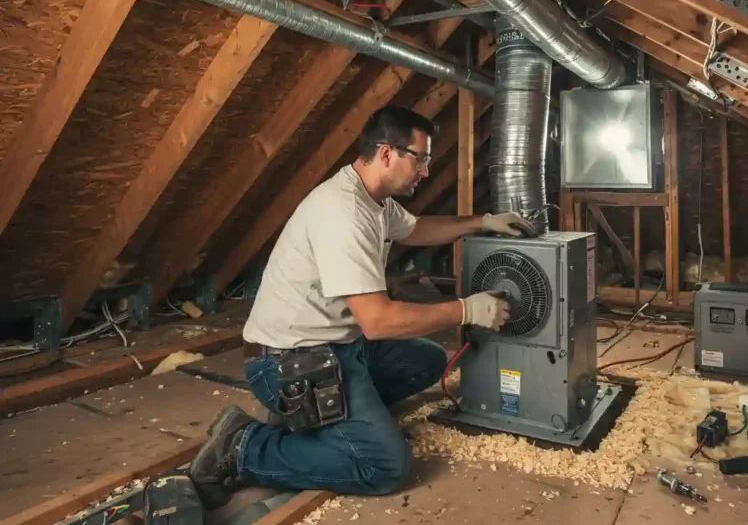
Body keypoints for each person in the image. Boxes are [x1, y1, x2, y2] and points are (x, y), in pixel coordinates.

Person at [186, 106, 535, 506]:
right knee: (385, 466)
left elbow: (417, 228)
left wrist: (482, 222)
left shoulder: (376, 200)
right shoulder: (344, 212)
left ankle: (327, 421)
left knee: (426, 360)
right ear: (387, 153)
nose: (425, 171)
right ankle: (244, 446)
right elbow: (378, 321)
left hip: (338, 346)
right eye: (420, 159)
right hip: (287, 363)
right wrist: (467, 310)